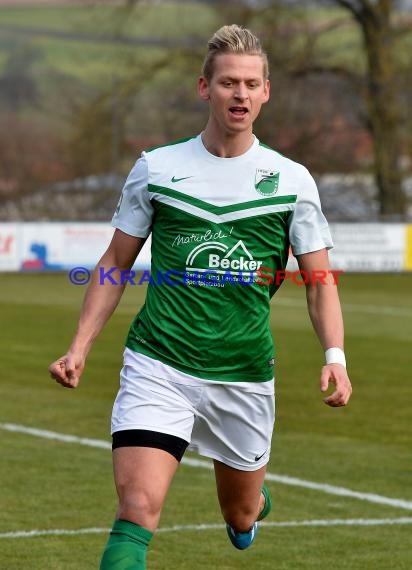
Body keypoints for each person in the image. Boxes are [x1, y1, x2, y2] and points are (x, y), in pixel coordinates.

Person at [49, 24, 352, 570]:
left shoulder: (291, 181)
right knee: (137, 507)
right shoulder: (157, 168)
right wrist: (79, 346)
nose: (240, 94)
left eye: (251, 84)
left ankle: (253, 507)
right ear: (204, 88)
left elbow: (320, 282)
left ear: (266, 92)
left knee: (238, 516)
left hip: (242, 372)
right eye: (228, 82)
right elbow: (115, 263)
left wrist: (336, 357)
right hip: (158, 363)